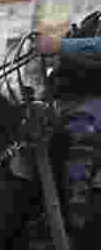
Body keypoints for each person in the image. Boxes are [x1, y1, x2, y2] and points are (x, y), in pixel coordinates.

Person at [37, 26, 101, 226]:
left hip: (90, 106)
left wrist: (61, 45)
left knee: (82, 125)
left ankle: (74, 218)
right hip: (73, 99)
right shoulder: (94, 20)